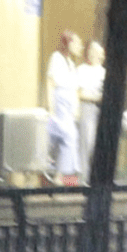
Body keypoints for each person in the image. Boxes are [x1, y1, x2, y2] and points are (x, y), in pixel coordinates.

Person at [46, 30, 83, 184]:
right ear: (69, 43)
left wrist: (77, 107)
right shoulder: (57, 58)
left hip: (69, 107)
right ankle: (57, 175)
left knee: (69, 139)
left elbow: (75, 89)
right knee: (68, 137)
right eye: (77, 42)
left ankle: (59, 176)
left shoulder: (72, 64)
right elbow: (50, 82)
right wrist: (50, 106)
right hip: (59, 105)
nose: (80, 46)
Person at [76, 41, 105, 185]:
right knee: (86, 144)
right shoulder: (82, 70)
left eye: (98, 52)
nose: (94, 54)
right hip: (86, 109)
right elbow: (78, 94)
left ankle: (96, 180)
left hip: (100, 111)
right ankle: (83, 180)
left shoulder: (104, 73)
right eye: (92, 51)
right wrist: (95, 98)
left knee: (96, 146)